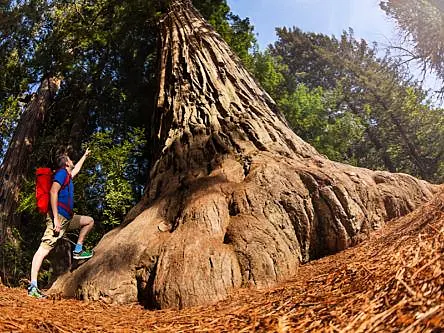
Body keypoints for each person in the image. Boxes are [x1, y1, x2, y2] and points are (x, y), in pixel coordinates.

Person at [28, 149, 94, 298]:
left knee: (89, 221)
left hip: (68, 218)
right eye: (70, 159)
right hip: (59, 218)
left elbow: (76, 169)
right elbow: (53, 192)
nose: (72, 161)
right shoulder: (61, 173)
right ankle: (33, 286)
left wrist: (84, 155)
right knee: (43, 249)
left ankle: (78, 250)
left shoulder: (68, 175)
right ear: (65, 162)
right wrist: (56, 220)